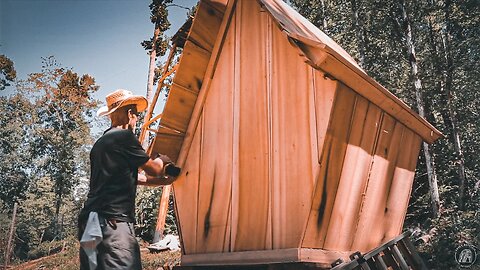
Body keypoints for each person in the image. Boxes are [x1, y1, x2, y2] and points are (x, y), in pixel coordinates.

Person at [77, 89, 180, 270]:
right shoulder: (123, 136)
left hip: (90, 223)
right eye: (136, 115)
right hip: (113, 224)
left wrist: (165, 182)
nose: (136, 119)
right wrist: (163, 159)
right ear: (130, 114)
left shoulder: (101, 143)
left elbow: (135, 177)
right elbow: (155, 169)